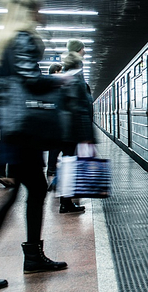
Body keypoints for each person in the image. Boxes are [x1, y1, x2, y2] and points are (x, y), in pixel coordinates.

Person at [0, 0, 67, 291]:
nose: (42, 16)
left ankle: (30, 256)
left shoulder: (8, 43)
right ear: (28, 13)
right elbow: (31, 80)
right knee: (21, 194)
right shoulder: (23, 39)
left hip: (16, 128)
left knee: (33, 189)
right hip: (23, 129)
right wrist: (62, 80)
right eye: (38, 10)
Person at [56, 51, 95, 214]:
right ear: (79, 65)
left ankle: (65, 200)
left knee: (68, 164)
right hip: (74, 131)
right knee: (72, 165)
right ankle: (66, 202)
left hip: (64, 131)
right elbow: (80, 109)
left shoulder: (63, 80)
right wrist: (88, 137)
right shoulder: (77, 81)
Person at [45, 63, 63, 177]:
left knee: (54, 145)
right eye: (61, 71)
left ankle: (51, 167)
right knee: (56, 145)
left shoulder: (45, 83)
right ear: (56, 71)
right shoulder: (55, 83)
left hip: (50, 119)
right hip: (55, 119)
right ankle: (51, 167)